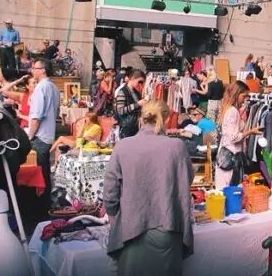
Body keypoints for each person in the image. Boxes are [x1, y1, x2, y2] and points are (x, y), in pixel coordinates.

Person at [104, 100, 194, 276]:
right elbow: (187, 179)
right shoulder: (177, 147)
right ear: (166, 119)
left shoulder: (123, 146)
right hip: (167, 227)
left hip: (130, 228)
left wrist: (114, 215)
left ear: (141, 118)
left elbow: (110, 192)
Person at [215, 81, 262, 189]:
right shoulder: (232, 111)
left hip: (226, 153)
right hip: (231, 155)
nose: (245, 99)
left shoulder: (228, 108)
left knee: (225, 188)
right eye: (244, 96)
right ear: (236, 94)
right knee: (230, 188)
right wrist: (251, 131)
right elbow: (234, 137)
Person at [28, 58, 60, 211]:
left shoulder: (41, 87)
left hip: (40, 136)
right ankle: (45, 204)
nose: (32, 70)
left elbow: (36, 117)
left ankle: (40, 207)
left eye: (35, 68)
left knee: (39, 174)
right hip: (48, 134)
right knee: (44, 171)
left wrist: (29, 136)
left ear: (43, 70)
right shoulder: (53, 87)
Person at [114, 69, 146, 139]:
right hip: (126, 127)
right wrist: (137, 104)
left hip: (135, 126)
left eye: (142, 82)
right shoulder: (122, 92)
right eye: (140, 81)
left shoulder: (136, 92)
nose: (140, 84)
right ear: (133, 78)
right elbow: (120, 111)